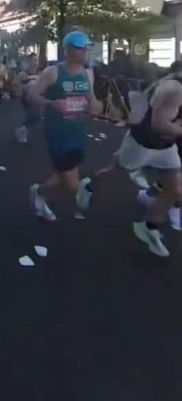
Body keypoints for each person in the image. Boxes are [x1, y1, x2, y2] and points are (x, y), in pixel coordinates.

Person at [76, 64, 182, 257]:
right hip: (143, 143)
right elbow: (159, 125)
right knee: (115, 174)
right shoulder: (175, 90)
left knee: (174, 190)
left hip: (166, 147)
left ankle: (149, 227)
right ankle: (89, 185)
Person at [27, 31, 102, 222]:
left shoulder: (88, 74)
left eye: (87, 48)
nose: (86, 52)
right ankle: (53, 195)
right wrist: (52, 104)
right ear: (68, 50)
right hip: (57, 133)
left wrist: (95, 106)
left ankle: (41, 193)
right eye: (81, 48)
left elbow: (92, 100)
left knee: (64, 173)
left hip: (78, 131)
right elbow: (32, 96)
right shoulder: (52, 72)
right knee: (71, 183)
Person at [13, 62, 41, 144]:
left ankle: (22, 130)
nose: (35, 64)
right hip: (27, 97)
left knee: (35, 115)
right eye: (33, 61)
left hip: (32, 96)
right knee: (34, 115)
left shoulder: (35, 74)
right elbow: (19, 83)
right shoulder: (24, 74)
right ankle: (21, 130)